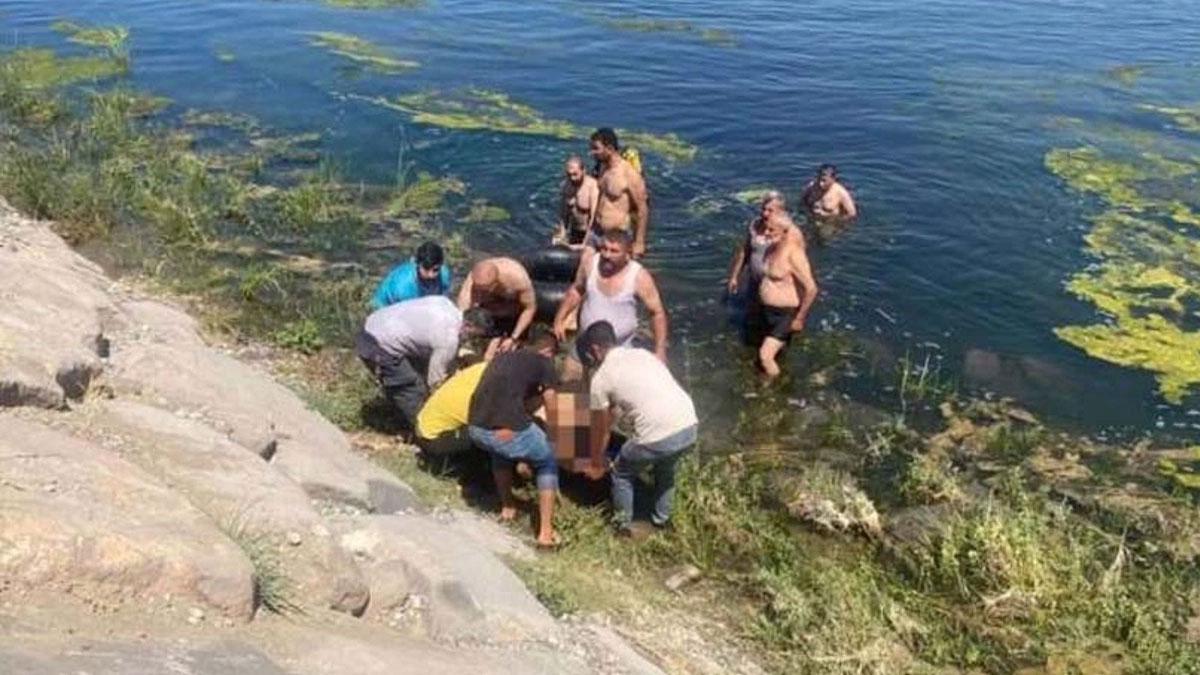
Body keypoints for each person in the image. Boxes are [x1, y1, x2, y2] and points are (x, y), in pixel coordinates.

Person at [579, 320, 698, 534]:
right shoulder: (642, 354)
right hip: (688, 424)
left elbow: (602, 428)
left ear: (595, 349)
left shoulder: (601, 378)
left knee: (621, 474)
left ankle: (622, 527)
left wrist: (595, 461)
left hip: (658, 435)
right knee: (665, 468)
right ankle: (662, 521)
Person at [467, 334, 561, 548]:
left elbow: (509, 399)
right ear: (549, 352)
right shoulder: (544, 362)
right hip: (504, 431)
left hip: (475, 429)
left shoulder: (504, 357)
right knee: (548, 459)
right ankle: (546, 533)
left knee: (501, 450)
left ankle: (508, 507)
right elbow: (552, 404)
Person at [356, 295, 492, 431]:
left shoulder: (445, 303)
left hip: (373, 323)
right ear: (468, 325)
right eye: (474, 335)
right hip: (377, 344)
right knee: (411, 387)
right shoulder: (448, 338)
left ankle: (396, 413)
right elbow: (435, 381)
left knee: (417, 372)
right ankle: (424, 432)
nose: (472, 340)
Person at [552, 229, 668, 369]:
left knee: (615, 388)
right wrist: (559, 319)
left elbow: (657, 313)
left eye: (614, 251)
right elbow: (576, 290)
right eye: (604, 249)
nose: (607, 255)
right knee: (569, 381)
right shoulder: (590, 264)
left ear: (627, 254)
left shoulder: (638, 277)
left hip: (621, 349)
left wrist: (660, 350)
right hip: (585, 342)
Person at [757, 212, 819, 378]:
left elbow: (811, 288)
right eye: (766, 229)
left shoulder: (794, 254)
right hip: (767, 310)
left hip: (786, 314)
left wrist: (799, 318)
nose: (766, 233)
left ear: (785, 232)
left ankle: (771, 391)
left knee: (765, 356)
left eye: (772, 230)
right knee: (779, 351)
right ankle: (786, 378)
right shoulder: (771, 249)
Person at [725, 191, 804, 297]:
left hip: (776, 286)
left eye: (770, 210)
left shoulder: (791, 232)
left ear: (781, 211)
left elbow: (800, 263)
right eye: (763, 209)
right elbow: (745, 251)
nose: (765, 213)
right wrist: (734, 277)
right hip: (754, 280)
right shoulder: (755, 225)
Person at [590, 128, 650, 259]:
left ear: (610, 148)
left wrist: (639, 242)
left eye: (596, 149)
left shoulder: (629, 174)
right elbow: (601, 198)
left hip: (618, 237)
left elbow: (642, 208)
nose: (592, 153)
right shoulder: (602, 168)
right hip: (597, 232)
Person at [456, 257, 537, 352]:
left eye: (486, 289)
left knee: (509, 347)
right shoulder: (474, 278)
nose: (483, 291)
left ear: (496, 281)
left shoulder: (517, 279)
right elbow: (463, 307)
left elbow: (530, 309)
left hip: (514, 308)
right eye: (480, 289)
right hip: (491, 309)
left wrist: (513, 337)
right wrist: (460, 328)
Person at [371, 241, 452, 310]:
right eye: (426, 269)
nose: (431, 275)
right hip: (386, 307)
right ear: (417, 263)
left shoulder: (444, 275)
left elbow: (441, 301)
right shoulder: (403, 287)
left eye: (435, 270)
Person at [552, 156, 599, 248]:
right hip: (575, 231)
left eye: (575, 174)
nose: (572, 178)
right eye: (569, 175)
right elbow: (564, 215)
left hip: (590, 232)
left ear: (583, 171)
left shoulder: (592, 187)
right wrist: (561, 235)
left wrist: (586, 242)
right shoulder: (565, 186)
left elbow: (594, 219)